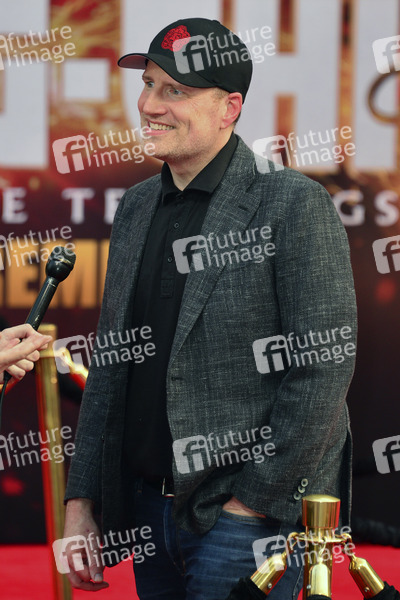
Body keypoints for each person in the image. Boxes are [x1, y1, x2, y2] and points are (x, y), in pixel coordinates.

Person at [62, 18, 357, 599]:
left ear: (230, 108)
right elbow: (111, 369)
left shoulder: (293, 203)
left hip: (245, 522)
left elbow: (323, 368)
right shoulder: (137, 206)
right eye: (148, 84)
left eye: (175, 90)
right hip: (148, 511)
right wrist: (82, 503)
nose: (149, 105)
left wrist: (253, 504)